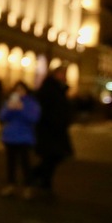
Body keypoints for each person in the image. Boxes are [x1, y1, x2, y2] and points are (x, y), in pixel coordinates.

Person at [29, 65, 74, 196]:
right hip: (49, 129)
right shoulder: (49, 89)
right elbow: (45, 109)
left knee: (54, 156)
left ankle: (41, 179)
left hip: (56, 129)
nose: (64, 77)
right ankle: (39, 177)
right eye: (62, 73)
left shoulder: (59, 89)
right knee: (53, 155)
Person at [0, 81, 41, 198]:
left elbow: (34, 118)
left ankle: (28, 186)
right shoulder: (10, 101)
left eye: (21, 89)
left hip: (24, 137)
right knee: (10, 162)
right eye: (17, 89)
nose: (19, 92)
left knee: (25, 162)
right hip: (10, 137)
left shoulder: (31, 103)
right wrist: (10, 109)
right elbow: (2, 117)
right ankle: (11, 184)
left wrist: (21, 109)